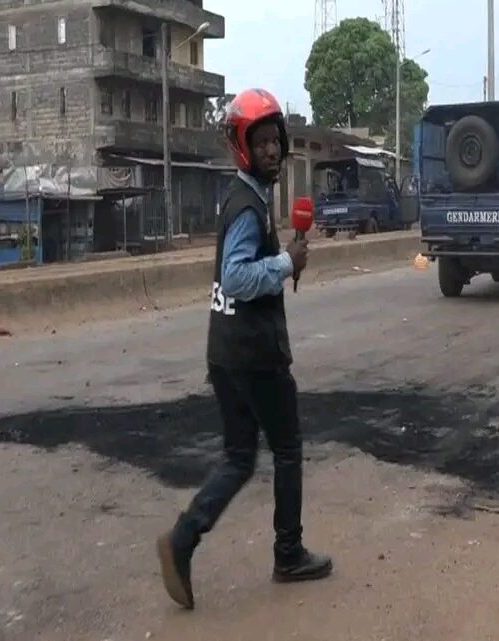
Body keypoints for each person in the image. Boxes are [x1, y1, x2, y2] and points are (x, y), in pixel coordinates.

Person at [157, 88, 332, 611]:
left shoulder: (245, 196)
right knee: (287, 449)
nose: (273, 150)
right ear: (242, 147)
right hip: (255, 355)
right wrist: (283, 265)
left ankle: (183, 538)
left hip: (226, 351)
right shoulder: (246, 206)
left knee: (238, 457)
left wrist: (284, 258)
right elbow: (235, 277)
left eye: (275, 140)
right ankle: (289, 553)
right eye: (261, 142)